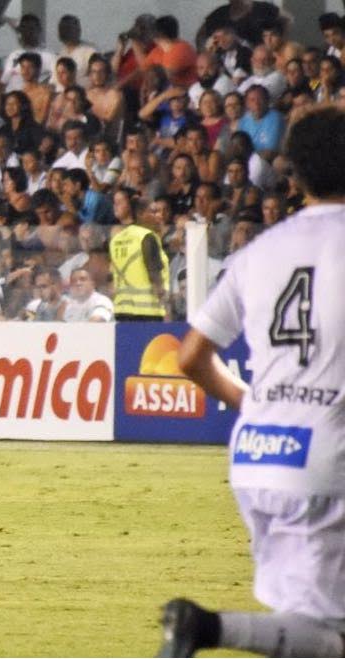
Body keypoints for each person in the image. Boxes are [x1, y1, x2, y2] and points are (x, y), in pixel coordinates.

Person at [157, 106, 345, 658]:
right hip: (328, 460)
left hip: (260, 453)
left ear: (293, 176)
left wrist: (252, 402)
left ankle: (206, 630)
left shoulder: (258, 253)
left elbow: (191, 358)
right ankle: (204, 628)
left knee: (320, 631)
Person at [109, 199, 169, 321]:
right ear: (140, 214)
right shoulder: (147, 236)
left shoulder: (117, 239)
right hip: (148, 310)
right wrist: (164, 301)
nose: (159, 215)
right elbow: (153, 271)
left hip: (122, 309)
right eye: (153, 212)